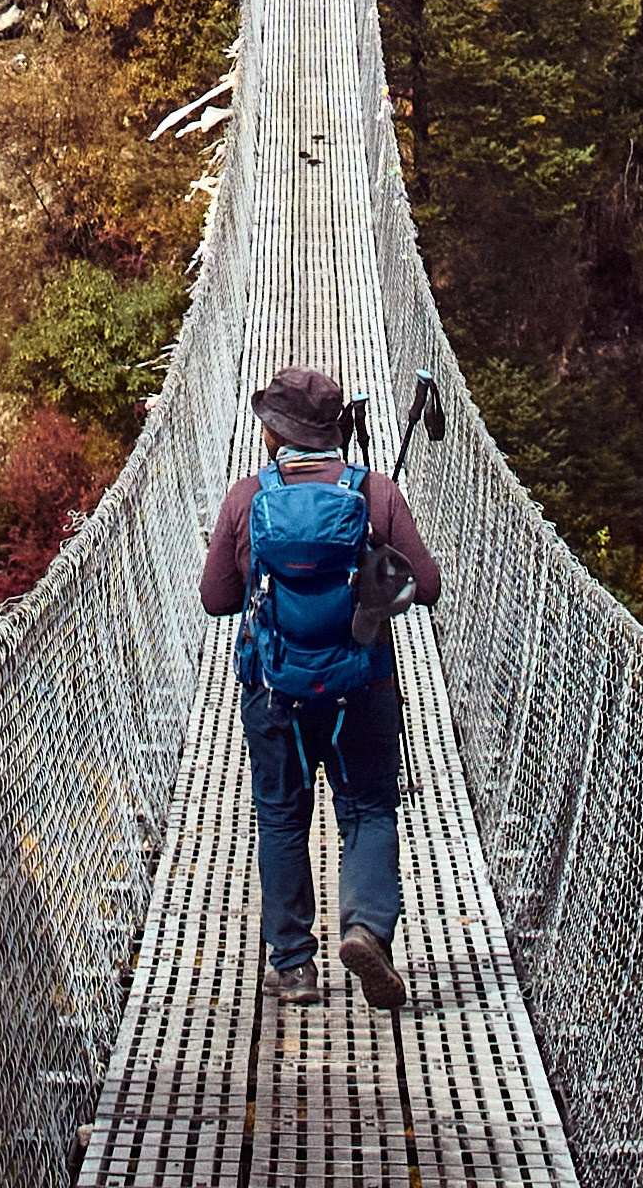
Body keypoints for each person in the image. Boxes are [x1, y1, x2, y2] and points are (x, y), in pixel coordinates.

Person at [199, 362, 441, 1012]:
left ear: (274, 435)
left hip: (274, 688)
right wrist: (370, 569)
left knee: (281, 816)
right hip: (361, 684)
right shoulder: (375, 491)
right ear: (333, 430)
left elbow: (216, 600)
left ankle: (295, 967)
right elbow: (428, 586)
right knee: (366, 809)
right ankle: (366, 929)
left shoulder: (246, 498)